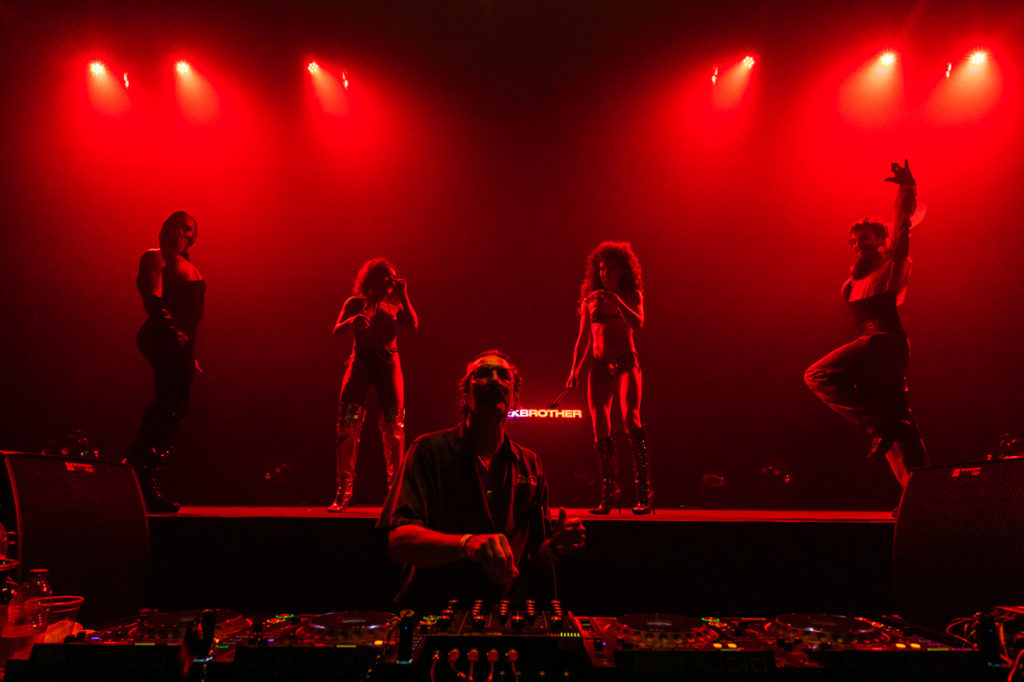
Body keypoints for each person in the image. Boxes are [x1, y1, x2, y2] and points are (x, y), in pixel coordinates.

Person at [377, 351, 586, 611]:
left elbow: (536, 555)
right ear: (464, 394)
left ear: (514, 398)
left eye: (504, 376)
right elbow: (398, 542)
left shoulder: (531, 463)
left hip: (507, 612)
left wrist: (557, 547)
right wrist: (467, 544)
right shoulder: (427, 451)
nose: (495, 380)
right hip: (435, 607)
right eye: (483, 374)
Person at [804, 160, 928, 489]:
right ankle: (918, 496)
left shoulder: (890, 263)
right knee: (900, 427)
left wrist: (906, 189)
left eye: (864, 239)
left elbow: (901, 230)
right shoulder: (853, 281)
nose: (858, 245)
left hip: (883, 342)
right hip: (882, 348)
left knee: (816, 375)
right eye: (854, 241)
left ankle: (878, 425)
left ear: (879, 239)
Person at [126, 211, 205, 513]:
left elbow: (191, 320)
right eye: (177, 227)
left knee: (175, 408)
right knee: (169, 405)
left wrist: (188, 351)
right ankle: (139, 475)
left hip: (179, 343)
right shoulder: (155, 257)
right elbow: (153, 299)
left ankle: (140, 473)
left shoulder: (189, 266)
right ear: (164, 230)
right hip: (161, 336)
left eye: (188, 229)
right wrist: (176, 337)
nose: (182, 233)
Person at [565, 242, 652, 514]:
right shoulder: (590, 299)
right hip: (599, 364)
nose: (604, 273)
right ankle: (609, 493)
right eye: (601, 269)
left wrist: (617, 302)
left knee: (630, 418)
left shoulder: (632, 294)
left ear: (622, 271)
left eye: (610, 269)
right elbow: (583, 338)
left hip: (626, 362)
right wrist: (574, 370)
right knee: (599, 425)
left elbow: (638, 323)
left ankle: (643, 492)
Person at [329, 259, 418, 512]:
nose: (392, 280)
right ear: (374, 278)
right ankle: (344, 489)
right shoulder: (354, 303)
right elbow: (336, 330)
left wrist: (404, 295)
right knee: (348, 423)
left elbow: (413, 324)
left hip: (388, 363)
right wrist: (352, 321)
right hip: (361, 362)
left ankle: (396, 492)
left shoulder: (396, 303)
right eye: (387, 276)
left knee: (394, 426)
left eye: (394, 276)